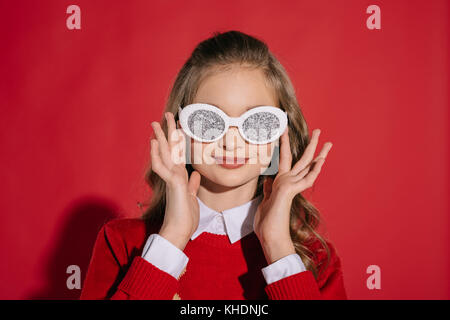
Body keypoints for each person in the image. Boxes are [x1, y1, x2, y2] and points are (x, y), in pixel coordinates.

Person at [80, 30, 347, 300]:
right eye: (208, 120)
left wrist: (278, 247)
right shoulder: (122, 244)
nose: (231, 143)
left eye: (256, 122)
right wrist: (171, 239)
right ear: (179, 128)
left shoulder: (315, 261)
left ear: (280, 135)